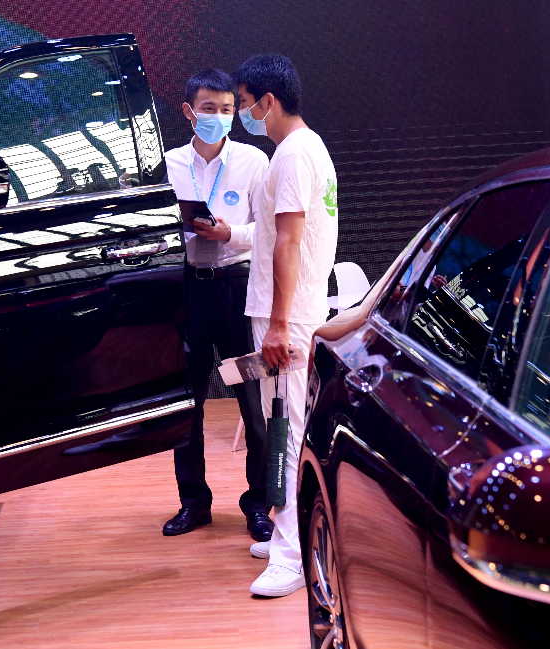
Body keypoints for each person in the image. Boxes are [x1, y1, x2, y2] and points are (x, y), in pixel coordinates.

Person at [233, 54, 339, 597]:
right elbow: (279, 235)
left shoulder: (294, 155)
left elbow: (292, 242)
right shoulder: (307, 149)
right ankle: (283, 534)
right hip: (293, 314)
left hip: (289, 318)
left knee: (285, 431)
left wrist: (276, 325)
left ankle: (293, 555)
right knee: (286, 426)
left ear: (268, 102)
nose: (245, 114)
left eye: (247, 104)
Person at [162, 69, 273, 541]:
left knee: (251, 398)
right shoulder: (166, 164)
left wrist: (231, 233)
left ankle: (259, 504)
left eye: (228, 109)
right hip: (186, 292)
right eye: (209, 109)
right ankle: (194, 503)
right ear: (189, 112)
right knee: (187, 403)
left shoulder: (253, 160)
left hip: (236, 288)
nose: (220, 117)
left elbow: (270, 230)